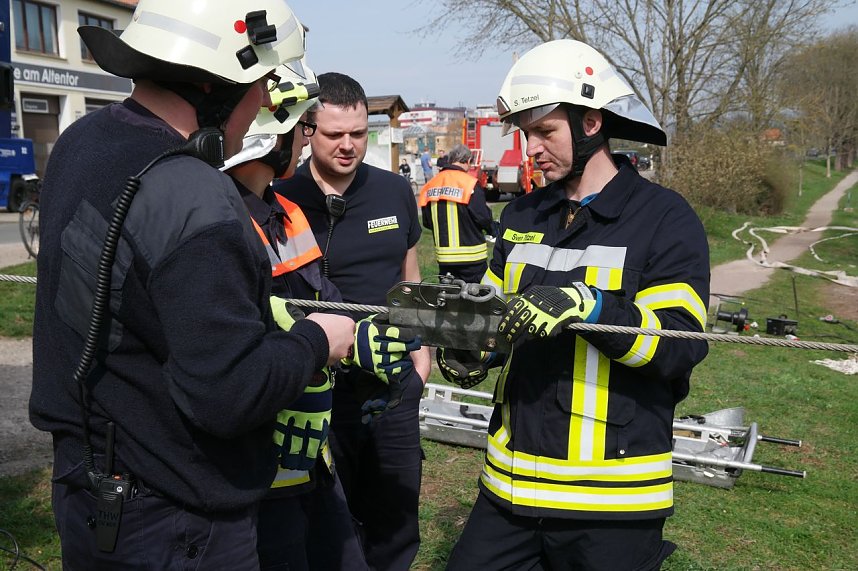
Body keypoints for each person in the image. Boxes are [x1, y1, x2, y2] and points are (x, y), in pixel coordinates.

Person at [29, 2, 355, 568]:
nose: (260, 110)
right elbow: (228, 392)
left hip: (89, 485)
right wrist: (318, 341)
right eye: (258, 88)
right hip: (175, 519)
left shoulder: (83, 141)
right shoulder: (194, 193)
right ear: (218, 84)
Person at [441, 39, 710, 570]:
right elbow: (499, 316)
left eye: (545, 131)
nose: (531, 148)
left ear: (591, 123)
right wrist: (473, 350)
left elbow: (679, 345)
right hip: (510, 488)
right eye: (526, 133)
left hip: (611, 500)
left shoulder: (664, 218)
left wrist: (587, 305)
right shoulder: (522, 214)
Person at [275, 71, 432, 571]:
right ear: (307, 131)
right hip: (318, 388)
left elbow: (411, 280)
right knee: (328, 529)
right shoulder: (280, 196)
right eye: (334, 134)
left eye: (359, 134)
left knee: (395, 523)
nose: (348, 146)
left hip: (393, 387)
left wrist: (420, 363)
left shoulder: (394, 191)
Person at [222, 62, 374, 571]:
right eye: (303, 128)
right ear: (272, 133)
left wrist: (370, 332)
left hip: (310, 452)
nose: (307, 143)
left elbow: (321, 297)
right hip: (258, 461)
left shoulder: (286, 210)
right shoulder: (221, 216)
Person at [418, 143, 495, 283]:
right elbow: (483, 217)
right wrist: (492, 229)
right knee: (476, 300)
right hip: (472, 258)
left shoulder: (430, 185)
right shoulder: (469, 183)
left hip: (444, 259)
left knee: (450, 300)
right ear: (468, 161)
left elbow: (427, 222)